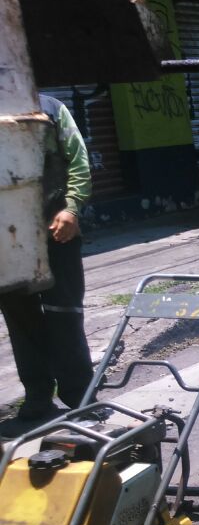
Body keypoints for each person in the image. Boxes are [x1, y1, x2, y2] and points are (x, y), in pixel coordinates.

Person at [0, 95, 96, 431]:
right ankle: (38, 395)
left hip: (57, 230)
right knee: (20, 318)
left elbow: (78, 160)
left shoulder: (51, 108)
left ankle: (80, 396)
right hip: (8, 239)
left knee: (64, 312)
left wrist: (72, 208)